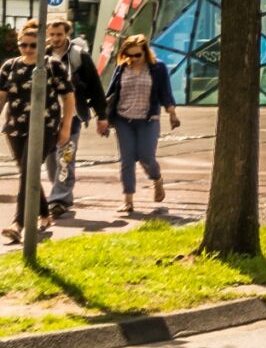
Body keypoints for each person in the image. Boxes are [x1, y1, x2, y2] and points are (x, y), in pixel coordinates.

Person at [1, 22, 72, 243]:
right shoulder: (9, 67)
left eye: (33, 45)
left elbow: (68, 98)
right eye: (24, 45)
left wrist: (66, 127)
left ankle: (19, 223)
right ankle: (44, 213)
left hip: (45, 128)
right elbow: (1, 96)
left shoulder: (52, 66)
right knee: (27, 171)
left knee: (27, 172)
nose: (28, 49)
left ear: (42, 45)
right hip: (15, 127)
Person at [98, 35, 178, 217]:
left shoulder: (157, 68)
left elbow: (165, 93)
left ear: (145, 52)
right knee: (126, 160)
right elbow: (111, 94)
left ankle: (157, 180)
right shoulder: (121, 69)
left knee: (146, 157)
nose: (132, 59)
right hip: (123, 119)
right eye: (129, 55)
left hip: (148, 120)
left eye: (137, 55)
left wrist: (172, 113)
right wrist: (104, 118)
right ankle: (128, 201)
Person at [42, 21, 104, 220]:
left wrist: (102, 116)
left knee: (65, 159)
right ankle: (61, 191)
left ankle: (59, 200)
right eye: (52, 34)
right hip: (48, 116)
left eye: (59, 34)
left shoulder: (79, 56)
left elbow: (95, 87)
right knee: (52, 162)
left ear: (67, 33)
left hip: (73, 115)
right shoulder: (42, 56)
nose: (56, 38)